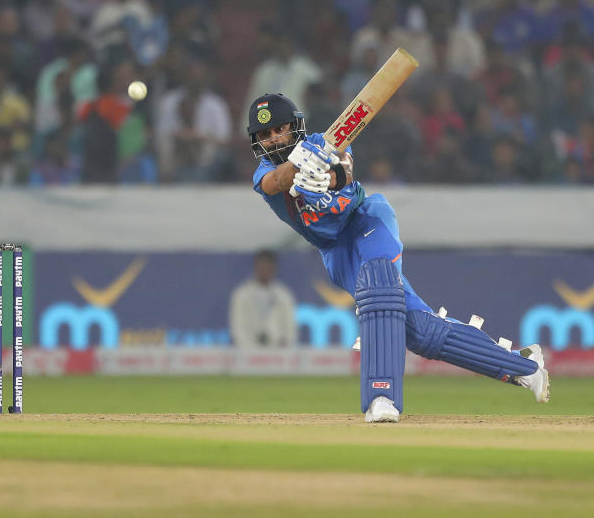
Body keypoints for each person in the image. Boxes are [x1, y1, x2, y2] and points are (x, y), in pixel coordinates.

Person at [247, 93, 549, 423]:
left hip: (366, 220)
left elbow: (345, 168)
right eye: (264, 135)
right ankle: (525, 366)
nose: (273, 139)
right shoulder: (263, 172)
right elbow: (276, 181)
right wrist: (299, 165)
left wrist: (328, 175)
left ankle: (381, 395)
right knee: (420, 331)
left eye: (279, 129)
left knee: (379, 286)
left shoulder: (324, 142)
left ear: (295, 126)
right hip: (337, 253)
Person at [228, 250, 296, 347]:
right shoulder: (242, 294)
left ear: (274, 268)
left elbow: (290, 328)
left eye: (268, 267)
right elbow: (237, 328)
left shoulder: (284, 295)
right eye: (262, 267)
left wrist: (282, 344)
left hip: (278, 353)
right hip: (248, 352)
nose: (265, 271)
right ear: (256, 267)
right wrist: (249, 347)